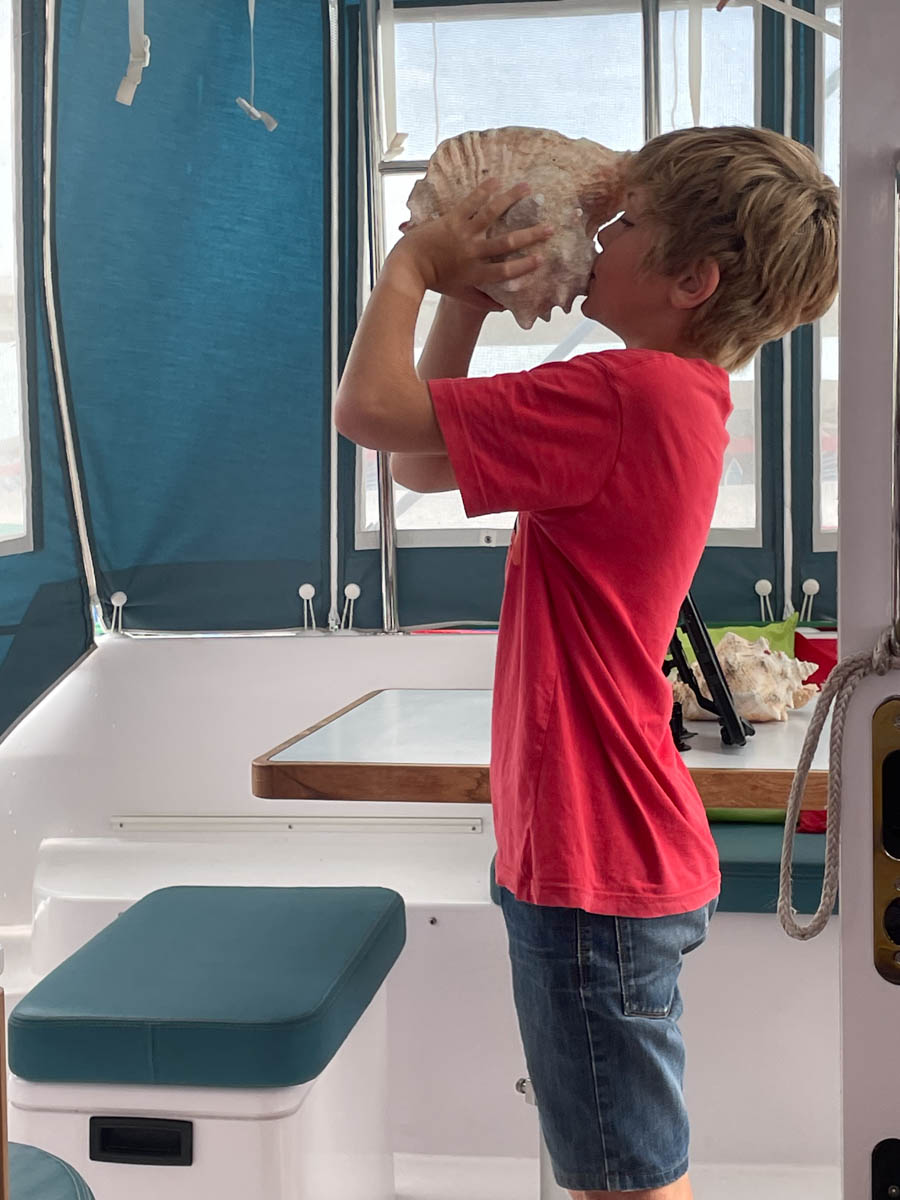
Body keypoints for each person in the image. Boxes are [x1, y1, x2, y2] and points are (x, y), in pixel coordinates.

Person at [335, 125, 839, 1200]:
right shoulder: (664, 396)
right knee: (620, 1170)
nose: (598, 236)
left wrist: (414, 263)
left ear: (692, 281)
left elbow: (367, 413)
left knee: (626, 1182)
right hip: (598, 847)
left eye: (629, 223)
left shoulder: (626, 392)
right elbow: (420, 462)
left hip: (594, 855)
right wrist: (469, 300)